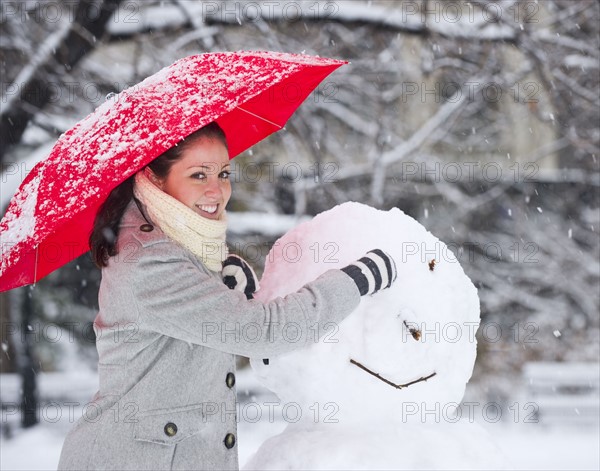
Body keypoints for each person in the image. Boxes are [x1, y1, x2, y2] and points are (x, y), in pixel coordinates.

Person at [57, 122, 397, 471]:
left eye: (223, 173)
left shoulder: (178, 245)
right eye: (198, 175)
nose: (217, 190)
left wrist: (219, 284)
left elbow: (194, 333)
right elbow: (265, 332)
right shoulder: (150, 262)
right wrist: (354, 281)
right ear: (156, 179)